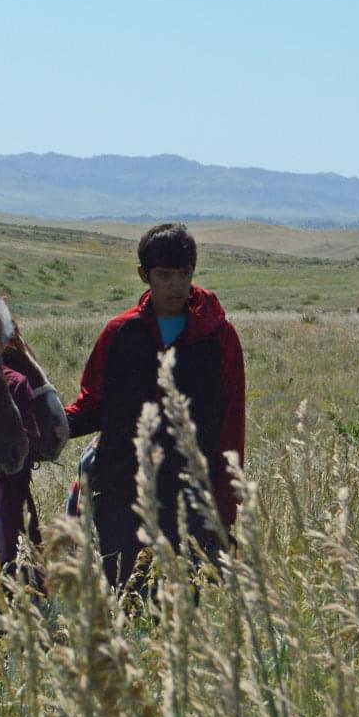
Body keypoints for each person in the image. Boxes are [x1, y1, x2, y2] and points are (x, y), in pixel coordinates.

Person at [66, 223, 246, 585]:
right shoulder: (120, 333)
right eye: (163, 275)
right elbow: (92, 404)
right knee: (117, 592)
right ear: (143, 275)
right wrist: (48, 427)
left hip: (189, 497)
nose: (175, 285)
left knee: (180, 606)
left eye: (184, 273)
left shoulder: (218, 337)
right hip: (119, 490)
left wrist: (224, 508)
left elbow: (232, 424)